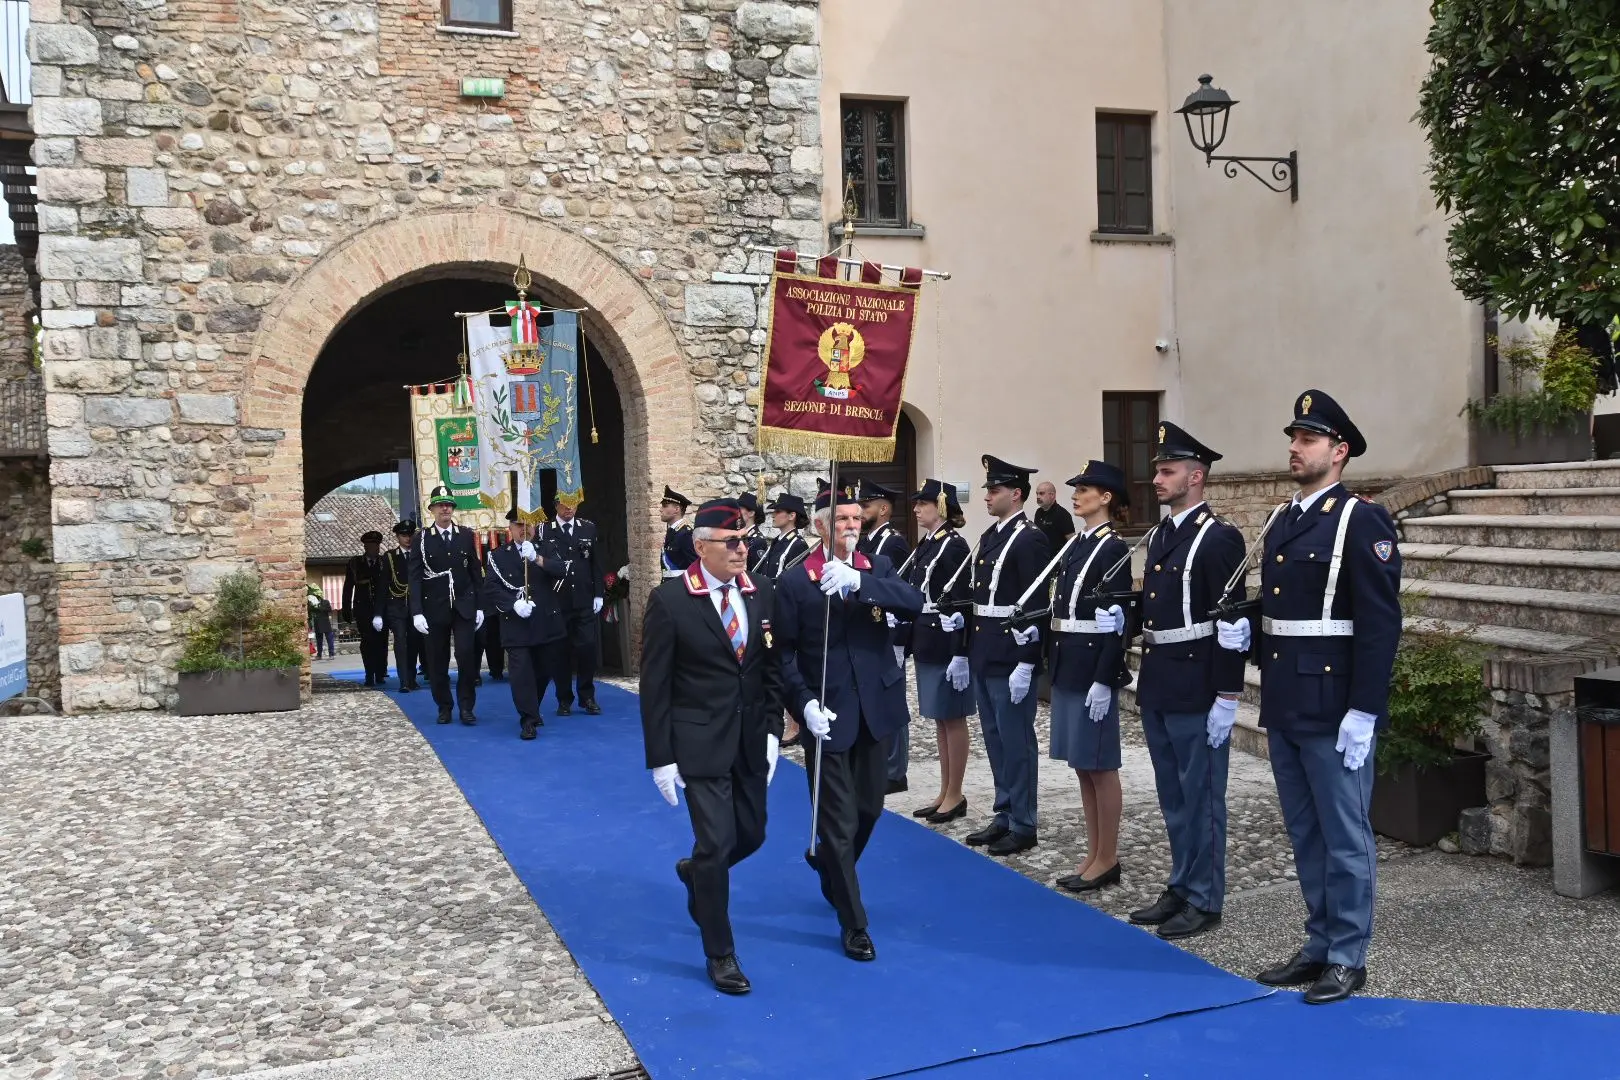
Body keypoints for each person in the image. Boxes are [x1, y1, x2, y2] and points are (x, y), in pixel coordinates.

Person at [1216, 390, 1401, 1004]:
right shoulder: (1286, 519)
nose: (1295, 448)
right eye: (1293, 438)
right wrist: (1247, 628)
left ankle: (1348, 955)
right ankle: (1320, 941)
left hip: (1334, 702)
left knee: (1345, 836)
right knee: (1305, 831)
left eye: (1308, 439)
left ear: (1339, 451)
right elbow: (1287, 608)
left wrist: (1365, 709)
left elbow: (1379, 622)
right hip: (1287, 696)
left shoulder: (1360, 519)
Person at [640, 498, 785, 995]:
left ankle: (697, 873)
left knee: (753, 835)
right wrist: (661, 757)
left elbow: (769, 669)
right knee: (717, 842)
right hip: (699, 741)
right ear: (701, 547)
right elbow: (655, 685)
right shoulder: (671, 600)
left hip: (750, 739)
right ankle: (720, 952)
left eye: (744, 540)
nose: (742, 550)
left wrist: (772, 730)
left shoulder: (761, 591)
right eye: (731, 542)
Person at [775, 482, 924, 962]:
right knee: (837, 823)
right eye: (842, 519)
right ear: (821, 526)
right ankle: (854, 922)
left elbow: (913, 601)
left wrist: (860, 583)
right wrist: (802, 704)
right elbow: (783, 654)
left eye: (857, 518)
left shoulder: (875, 568)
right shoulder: (796, 581)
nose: (852, 525)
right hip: (827, 713)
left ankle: (830, 866)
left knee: (870, 810)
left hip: (875, 710)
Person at [1125, 422, 1246, 941]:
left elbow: (1231, 622)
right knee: (1173, 794)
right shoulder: (1162, 535)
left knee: (1202, 797)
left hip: (1196, 683)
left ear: (1196, 477)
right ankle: (1182, 882)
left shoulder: (1218, 537)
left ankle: (1205, 896)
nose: (1156, 479)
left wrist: (1228, 694)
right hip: (1160, 678)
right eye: (1157, 469)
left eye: (1167, 470)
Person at [1047, 462, 1133, 893]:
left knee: (1100, 764)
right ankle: (1094, 851)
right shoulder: (1078, 544)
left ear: (1106, 498)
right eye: (1076, 489)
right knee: (1083, 764)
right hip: (1069, 661)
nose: (1076, 496)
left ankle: (1108, 856)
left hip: (1091, 667)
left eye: (1084, 490)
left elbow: (1118, 622)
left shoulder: (1111, 548)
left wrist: (1105, 678)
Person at [963, 456, 1052, 857]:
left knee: (1016, 741)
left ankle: (1023, 822)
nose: (987, 496)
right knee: (995, 738)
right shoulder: (991, 534)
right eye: (987, 489)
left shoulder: (1030, 538)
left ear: (1016, 494)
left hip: (1010, 653)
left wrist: (1027, 661)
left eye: (994, 490)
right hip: (986, 650)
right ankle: (1004, 811)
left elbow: (1035, 604)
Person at [903, 479, 974, 824]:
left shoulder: (954, 545)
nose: (917, 509)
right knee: (939, 718)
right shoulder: (929, 543)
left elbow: (962, 601)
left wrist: (960, 652)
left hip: (946, 641)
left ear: (941, 507)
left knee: (952, 716)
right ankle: (945, 790)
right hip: (927, 638)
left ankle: (955, 792)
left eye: (924, 504)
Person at [485, 508, 569, 740]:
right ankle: (528, 719)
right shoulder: (498, 555)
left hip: (545, 622)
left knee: (543, 672)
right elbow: (490, 587)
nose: (524, 529)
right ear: (510, 528)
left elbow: (562, 570)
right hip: (516, 624)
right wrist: (513, 604)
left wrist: (537, 559)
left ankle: (534, 707)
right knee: (521, 674)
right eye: (519, 525)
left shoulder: (546, 548)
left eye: (528, 524)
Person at [854, 478, 914, 794]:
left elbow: (899, 594)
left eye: (866, 505)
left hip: (891, 630)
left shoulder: (893, 544)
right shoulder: (867, 542)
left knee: (892, 701)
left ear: (884, 509)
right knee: (874, 698)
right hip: (872, 629)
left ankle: (895, 770)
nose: (861, 511)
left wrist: (901, 640)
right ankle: (878, 765)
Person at [409, 485, 485, 725]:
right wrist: (417, 612)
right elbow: (415, 577)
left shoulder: (465, 535)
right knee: (437, 660)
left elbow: (475, 571)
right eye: (440, 505)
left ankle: (466, 706)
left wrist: (480, 606)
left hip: (463, 604)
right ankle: (444, 706)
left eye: (449, 505)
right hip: (434, 607)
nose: (445, 509)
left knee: (466, 655)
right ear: (431, 509)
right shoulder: (421, 538)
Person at [540, 499, 605, 715]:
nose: (569, 509)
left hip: (583, 599)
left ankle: (587, 696)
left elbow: (595, 562)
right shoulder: (545, 530)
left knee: (587, 648)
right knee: (560, 652)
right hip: (558, 601)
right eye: (565, 504)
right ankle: (564, 698)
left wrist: (598, 593)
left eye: (573, 504)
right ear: (556, 505)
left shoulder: (588, 528)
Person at [343, 529, 389, 686]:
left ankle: (381, 672)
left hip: (382, 609)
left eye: (376, 545)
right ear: (365, 547)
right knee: (367, 642)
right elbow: (348, 587)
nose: (374, 548)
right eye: (371, 545)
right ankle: (369, 673)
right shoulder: (355, 563)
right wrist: (346, 609)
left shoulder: (384, 562)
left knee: (382, 641)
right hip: (363, 609)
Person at [383, 520, 422, 691]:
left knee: (414, 643)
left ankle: (411, 678)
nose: (408, 539)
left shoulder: (420, 555)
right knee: (400, 642)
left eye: (410, 535)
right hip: (396, 607)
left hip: (416, 607)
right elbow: (383, 585)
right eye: (404, 535)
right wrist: (378, 613)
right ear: (397, 537)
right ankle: (404, 681)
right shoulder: (390, 557)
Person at [757, 493, 811, 579]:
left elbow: (796, 580)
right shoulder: (777, 541)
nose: (773, 515)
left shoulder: (798, 545)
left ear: (791, 516)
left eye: (778, 511)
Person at [660, 486, 697, 580]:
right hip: (669, 585)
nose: (660, 509)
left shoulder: (685, 534)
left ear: (676, 509)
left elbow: (696, 566)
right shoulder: (672, 532)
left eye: (664, 506)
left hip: (682, 585)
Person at [1032, 480, 1077, 552]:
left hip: (1056, 557)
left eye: (1041, 493)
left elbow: (1072, 542)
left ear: (1052, 495)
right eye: (1037, 494)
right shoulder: (1038, 512)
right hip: (1041, 555)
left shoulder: (1062, 514)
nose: (1038, 497)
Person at [738, 491, 770, 575]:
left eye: (740, 509)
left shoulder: (757, 541)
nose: (736, 512)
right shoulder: (739, 536)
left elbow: (756, 573)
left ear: (751, 513)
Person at [307, 586, 335, 658]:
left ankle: (331, 654)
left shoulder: (325, 602)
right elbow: (309, 611)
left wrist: (318, 607)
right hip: (317, 623)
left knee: (329, 639)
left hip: (326, 623)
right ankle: (319, 655)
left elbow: (329, 610)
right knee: (319, 641)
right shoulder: (311, 604)